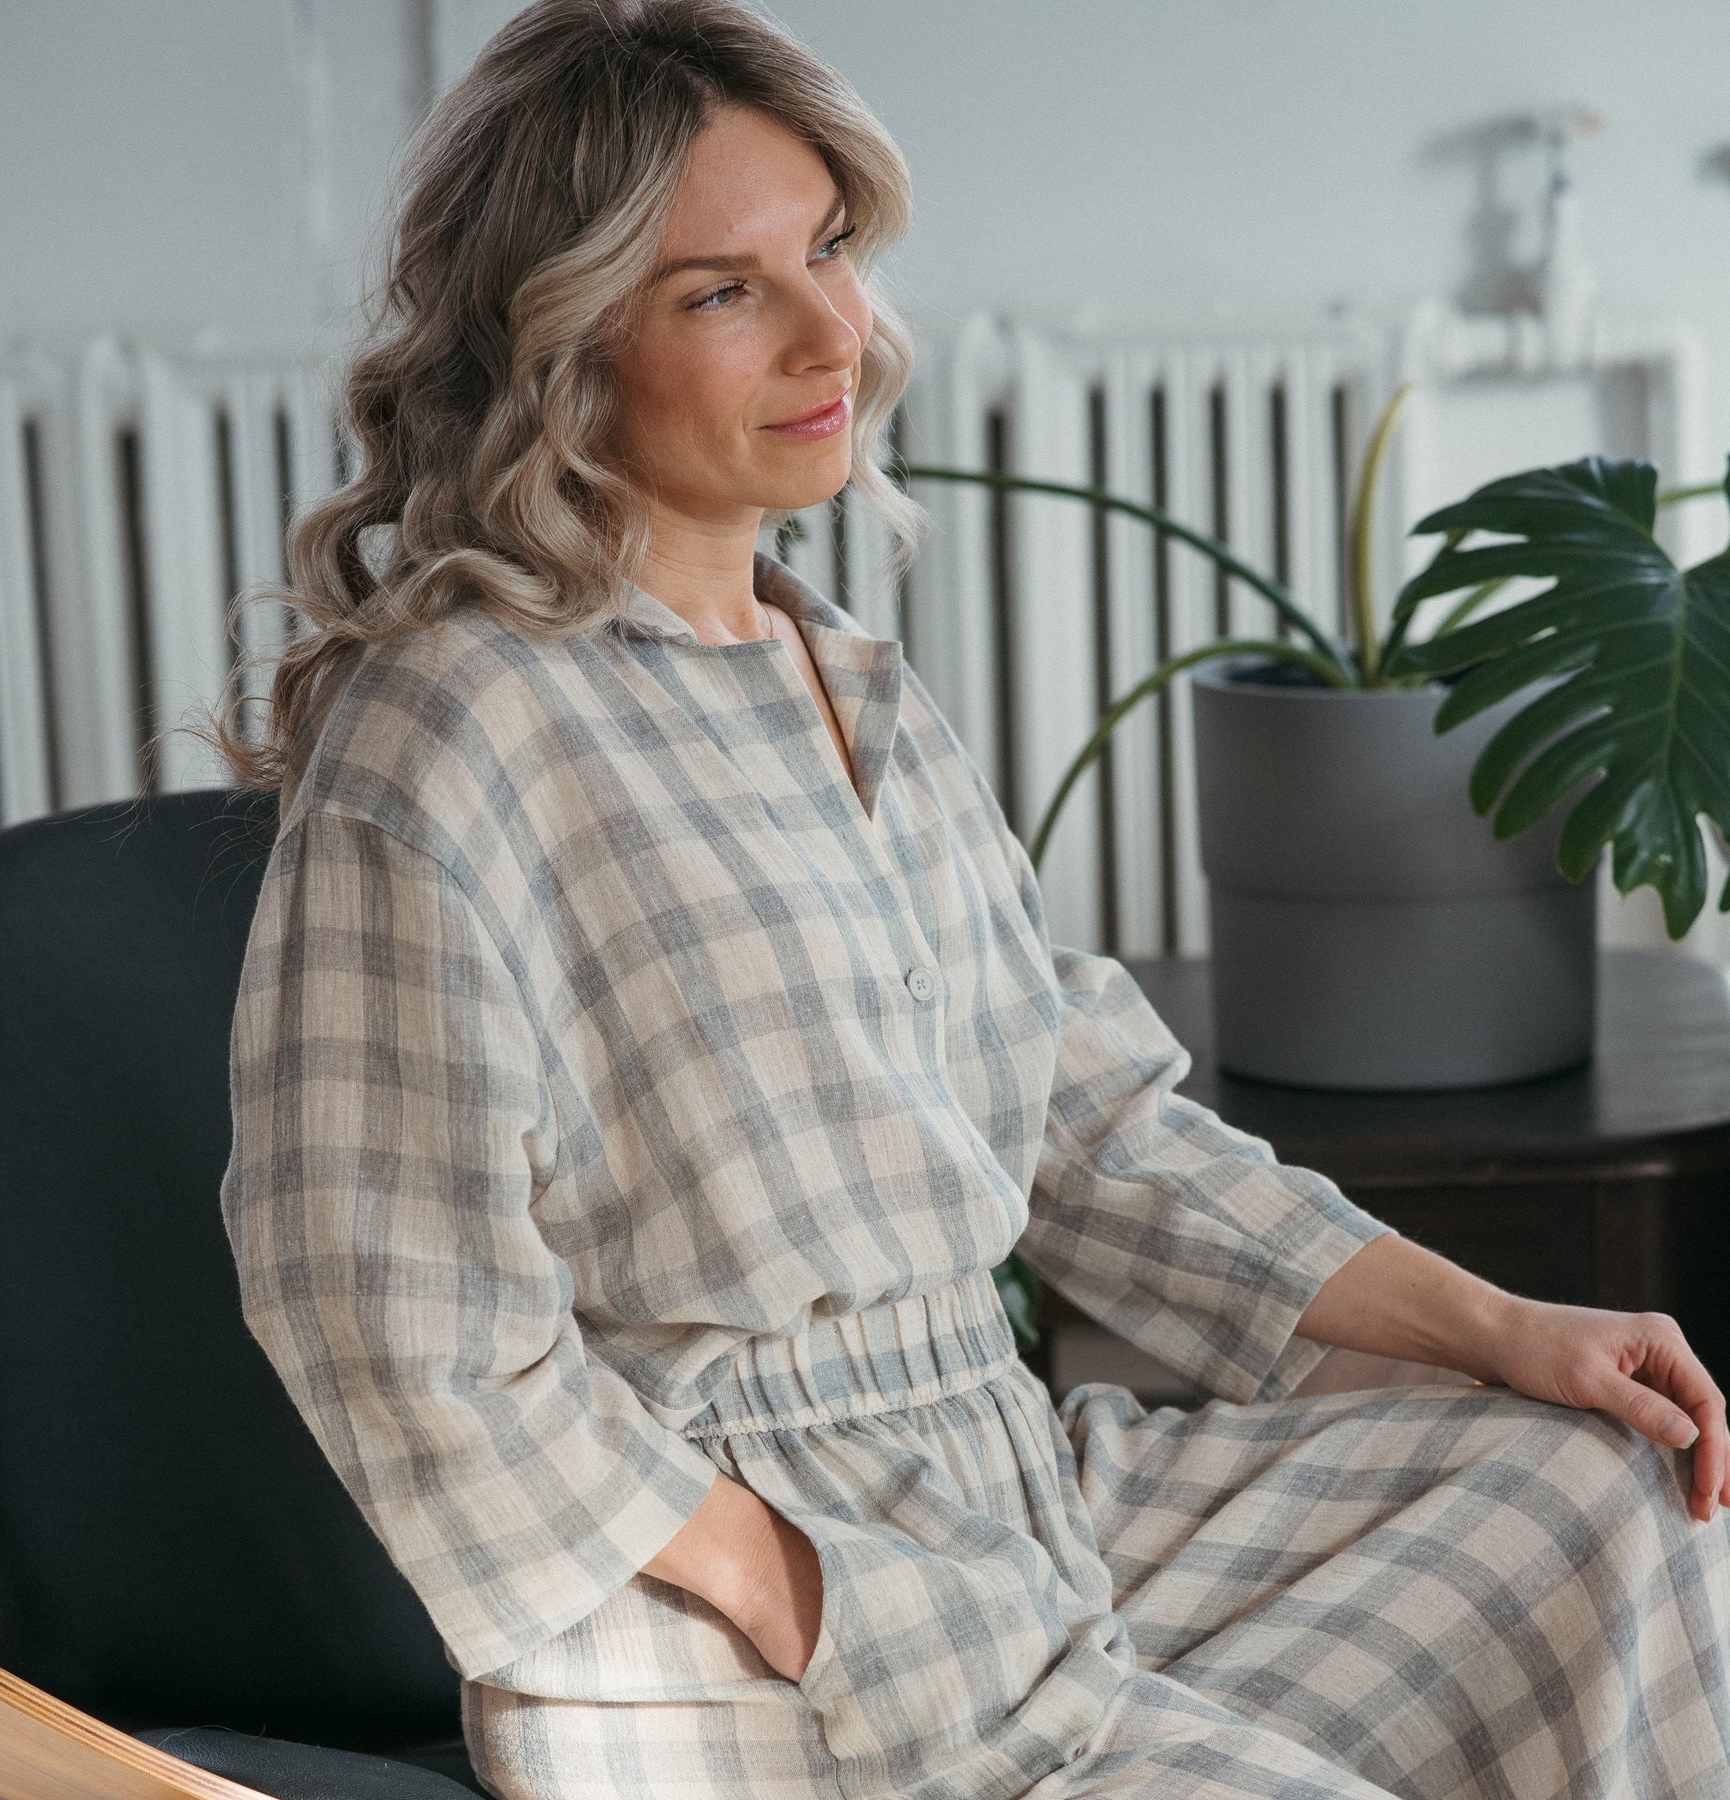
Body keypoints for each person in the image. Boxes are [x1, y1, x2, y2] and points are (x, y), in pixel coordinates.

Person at [213, 4, 1730, 1796]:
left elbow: (1086, 1130)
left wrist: (1510, 1328)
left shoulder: (855, 689)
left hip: (1016, 1492)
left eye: (832, 250)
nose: (833, 332)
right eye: (722, 292)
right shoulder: (456, 730)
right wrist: (794, 1586)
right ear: (559, 345)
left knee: (1596, 1487)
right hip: (731, 1627)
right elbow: (379, 1308)